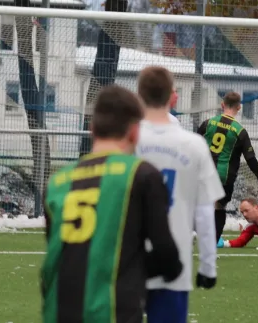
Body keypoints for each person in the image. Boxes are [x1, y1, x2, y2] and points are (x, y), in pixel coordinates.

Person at [41, 85, 183, 323]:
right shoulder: (141, 174)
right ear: (135, 132)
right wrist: (135, 268)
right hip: (113, 310)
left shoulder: (58, 181)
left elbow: (60, 253)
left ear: (92, 129)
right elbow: (167, 256)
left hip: (57, 311)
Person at [135, 66, 225, 323]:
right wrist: (208, 266)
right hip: (174, 262)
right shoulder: (194, 145)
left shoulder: (126, 141)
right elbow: (206, 213)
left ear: (139, 95)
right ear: (172, 98)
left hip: (130, 262)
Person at [197, 92, 258, 242]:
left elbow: (194, 143)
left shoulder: (208, 123)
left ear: (222, 105)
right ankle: (213, 242)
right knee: (219, 207)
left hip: (204, 173)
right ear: (239, 107)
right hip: (224, 176)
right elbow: (251, 159)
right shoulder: (240, 131)